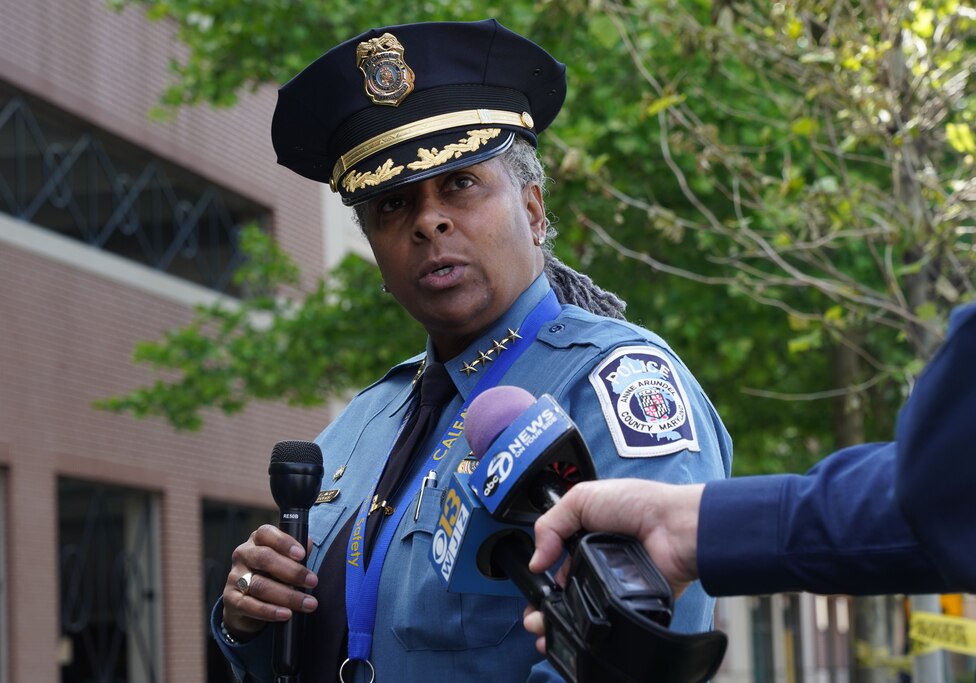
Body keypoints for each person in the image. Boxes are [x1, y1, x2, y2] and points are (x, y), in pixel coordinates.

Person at [209, 19, 733, 682]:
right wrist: (248, 621)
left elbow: (638, 657)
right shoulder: (362, 421)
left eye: (460, 184)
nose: (428, 221)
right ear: (376, 252)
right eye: (393, 205)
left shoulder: (616, 384)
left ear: (534, 211)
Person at [524, 303, 976, 652]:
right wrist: (692, 526)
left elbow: (943, 487)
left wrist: (698, 525)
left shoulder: (611, 362)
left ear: (535, 217)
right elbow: (948, 492)